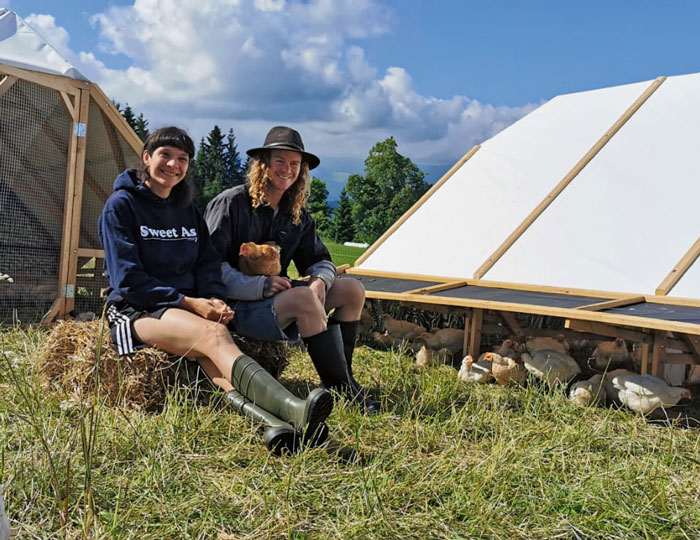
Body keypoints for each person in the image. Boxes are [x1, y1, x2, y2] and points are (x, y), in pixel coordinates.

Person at [98, 126, 332, 455]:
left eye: (182, 159)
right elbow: (128, 280)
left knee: (214, 361)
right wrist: (190, 302)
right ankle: (294, 408)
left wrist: (213, 297)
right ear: (147, 158)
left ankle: (275, 425)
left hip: (183, 306)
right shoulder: (120, 207)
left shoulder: (187, 209)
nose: (173, 165)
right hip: (136, 308)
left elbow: (209, 262)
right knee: (214, 337)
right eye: (165, 155)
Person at [204, 126, 380, 414]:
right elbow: (207, 268)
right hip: (233, 308)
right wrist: (258, 287)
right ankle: (342, 391)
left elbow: (321, 260)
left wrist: (321, 282)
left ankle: (344, 376)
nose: (287, 169)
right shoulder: (231, 204)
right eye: (280, 162)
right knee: (303, 299)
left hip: (276, 299)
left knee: (351, 289)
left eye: (295, 164)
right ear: (263, 165)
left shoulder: (295, 212)